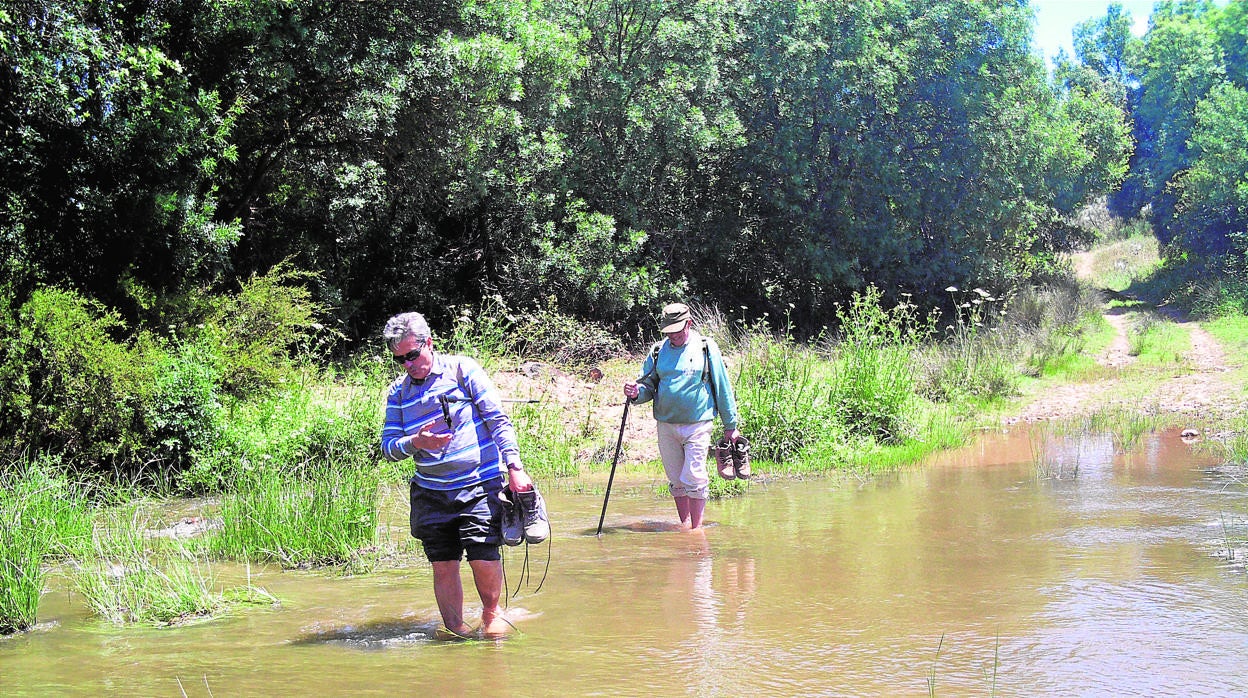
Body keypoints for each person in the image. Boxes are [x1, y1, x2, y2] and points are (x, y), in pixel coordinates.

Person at [380, 311, 547, 640]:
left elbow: (498, 419)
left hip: (477, 483)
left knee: (483, 555)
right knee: (442, 563)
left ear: (429, 342)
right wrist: (415, 442)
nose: (408, 365)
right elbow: (387, 447)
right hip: (430, 491)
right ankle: (456, 629)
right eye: (400, 359)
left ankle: (492, 615)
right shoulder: (397, 394)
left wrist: (514, 467)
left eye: (412, 355)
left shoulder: (462, 369)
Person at [623, 302, 742, 530]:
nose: (673, 336)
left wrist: (731, 425)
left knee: (694, 475)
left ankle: (696, 532)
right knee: (676, 478)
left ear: (689, 323)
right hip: (666, 424)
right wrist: (636, 393)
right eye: (669, 332)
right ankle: (684, 525)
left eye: (677, 331)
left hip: (698, 422)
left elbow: (722, 386)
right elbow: (647, 385)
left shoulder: (706, 347)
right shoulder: (658, 351)